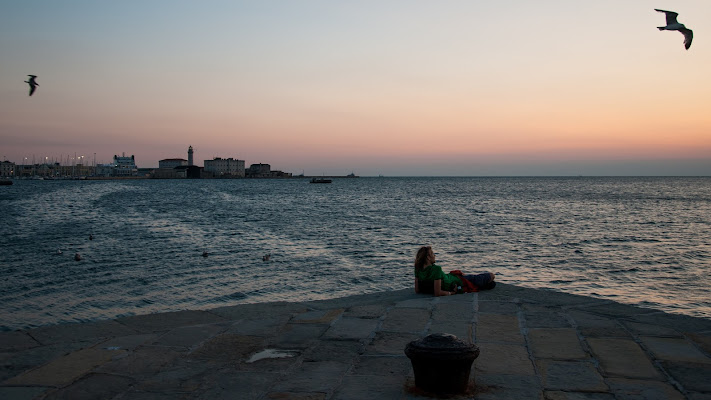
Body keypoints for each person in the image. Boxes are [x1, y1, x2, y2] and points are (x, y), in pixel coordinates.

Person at [414, 246, 495, 296]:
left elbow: (417, 290)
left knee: (490, 284)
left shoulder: (418, 269)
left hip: (452, 278)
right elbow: (437, 293)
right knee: (491, 276)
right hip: (458, 281)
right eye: (432, 254)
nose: (435, 256)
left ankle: (483, 285)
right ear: (428, 257)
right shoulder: (436, 269)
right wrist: (451, 293)